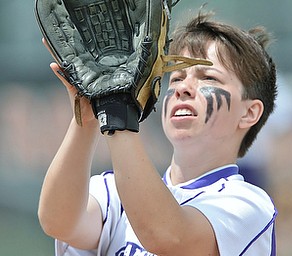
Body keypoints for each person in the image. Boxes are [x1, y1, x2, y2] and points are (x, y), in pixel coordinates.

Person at [38, 11, 278, 256]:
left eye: (208, 77)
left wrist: (117, 111)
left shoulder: (248, 205)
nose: (183, 88)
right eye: (176, 78)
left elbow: (168, 236)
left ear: (249, 113)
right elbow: (58, 222)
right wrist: (87, 118)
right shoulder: (115, 192)